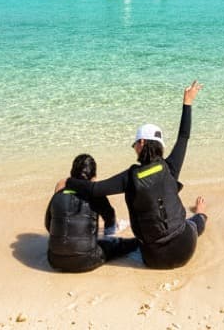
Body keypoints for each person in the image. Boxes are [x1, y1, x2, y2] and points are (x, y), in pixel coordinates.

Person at [63, 81, 207, 269]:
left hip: (154, 260)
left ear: (141, 143)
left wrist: (68, 181)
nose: (134, 149)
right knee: (195, 221)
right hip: (186, 248)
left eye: (134, 145)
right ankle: (202, 212)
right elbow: (184, 136)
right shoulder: (170, 167)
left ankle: (199, 214)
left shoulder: (130, 177)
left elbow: (94, 189)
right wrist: (187, 103)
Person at [45, 153, 138, 272]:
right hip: (86, 260)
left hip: (54, 260)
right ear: (94, 177)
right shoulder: (96, 195)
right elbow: (110, 219)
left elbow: (49, 225)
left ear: (71, 173)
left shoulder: (58, 195)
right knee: (129, 244)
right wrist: (108, 237)